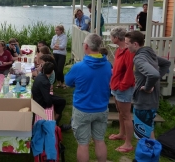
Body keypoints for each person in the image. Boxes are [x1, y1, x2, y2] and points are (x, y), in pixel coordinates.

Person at [65, 33, 112, 162]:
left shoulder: (79, 67)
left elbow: (68, 82)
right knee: (99, 140)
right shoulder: (108, 65)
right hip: (101, 108)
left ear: (86, 46)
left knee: (83, 144)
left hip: (83, 109)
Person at [125, 31, 171, 139]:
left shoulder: (139, 58)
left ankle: (145, 155)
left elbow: (153, 74)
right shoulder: (150, 54)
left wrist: (147, 87)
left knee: (142, 137)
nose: (126, 46)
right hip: (152, 102)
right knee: (149, 131)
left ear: (135, 44)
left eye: (127, 43)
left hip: (144, 102)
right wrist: (156, 79)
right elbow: (166, 63)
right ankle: (152, 155)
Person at [108, 27, 135, 153]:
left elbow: (130, 71)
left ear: (117, 38)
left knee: (126, 115)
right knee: (120, 112)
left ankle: (128, 144)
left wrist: (122, 86)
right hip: (115, 86)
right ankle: (121, 133)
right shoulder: (119, 50)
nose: (111, 38)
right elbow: (118, 68)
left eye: (111, 37)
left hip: (122, 87)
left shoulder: (128, 51)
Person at [31, 62, 71, 131]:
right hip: (40, 103)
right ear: (52, 71)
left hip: (37, 98)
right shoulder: (45, 82)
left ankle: (56, 121)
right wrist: (50, 104)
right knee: (62, 101)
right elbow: (47, 100)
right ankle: (55, 123)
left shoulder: (40, 77)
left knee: (59, 99)